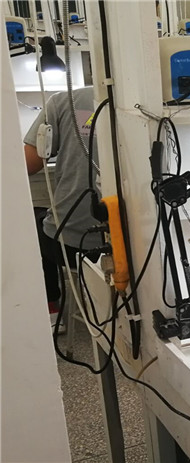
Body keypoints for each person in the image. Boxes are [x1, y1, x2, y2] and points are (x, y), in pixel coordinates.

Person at [24, 86, 102, 333]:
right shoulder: (149, 98)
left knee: (35, 220)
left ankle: (50, 308)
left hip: (70, 246)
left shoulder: (65, 100)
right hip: (135, 247)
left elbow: (28, 164)